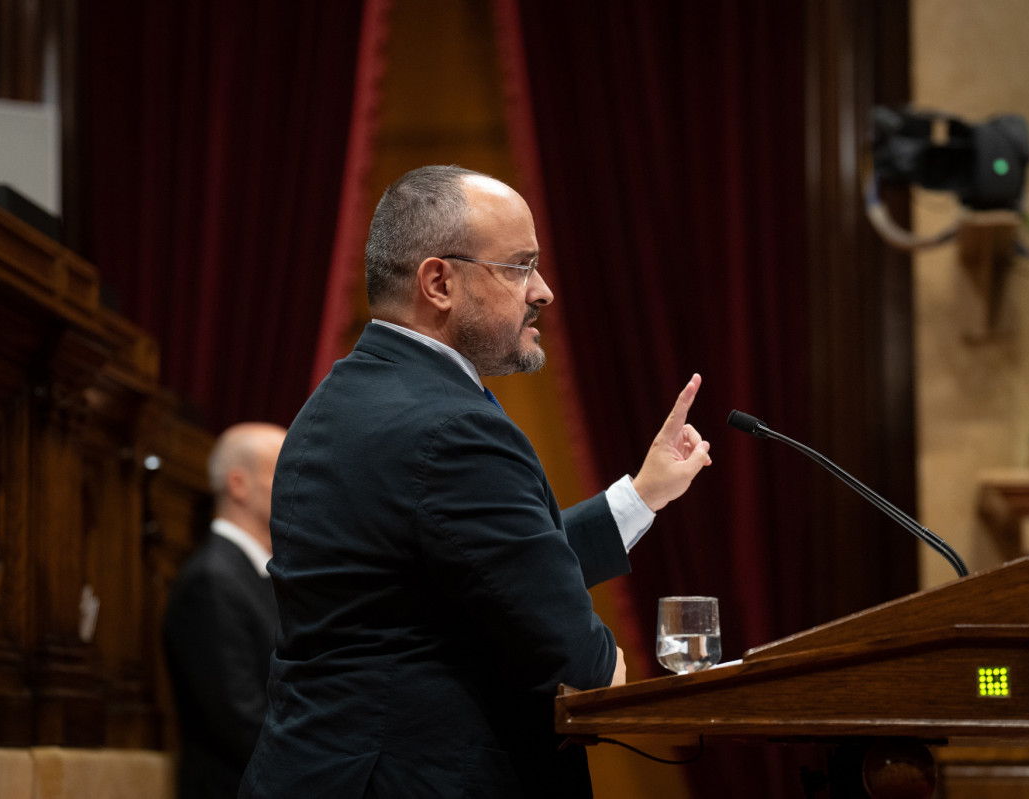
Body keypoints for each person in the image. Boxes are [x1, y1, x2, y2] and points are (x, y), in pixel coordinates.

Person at [239, 165, 711, 798]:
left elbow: (476, 569)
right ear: (439, 282)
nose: (542, 290)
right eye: (520, 266)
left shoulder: (338, 399)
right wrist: (607, 660)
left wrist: (641, 495)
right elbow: (580, 659)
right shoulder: (452, 427)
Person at [163, 422, 287, 799]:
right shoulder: (211, 580)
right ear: (238, 485)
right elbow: (239, 722)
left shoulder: (263, 574)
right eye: (282, 472)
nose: (298, 486)